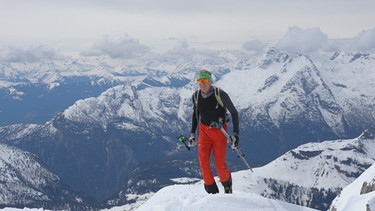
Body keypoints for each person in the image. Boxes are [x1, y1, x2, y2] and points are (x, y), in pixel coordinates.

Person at [188, 69, 239, 194]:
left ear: (210, 81)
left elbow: (234, 112)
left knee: (219, 165)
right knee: (203, 163)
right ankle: (212, 194)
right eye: (199, 81)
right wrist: (192, 134)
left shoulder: (220, 94)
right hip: (204, 131)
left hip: (219, 131)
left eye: (205, 80)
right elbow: (196, 115)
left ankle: (227, 186)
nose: (202, 83)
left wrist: (236, 134)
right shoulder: (196, 96)